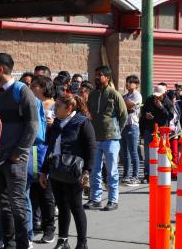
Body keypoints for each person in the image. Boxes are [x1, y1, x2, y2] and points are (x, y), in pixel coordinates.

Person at [0, 53, 39, 248]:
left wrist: (18, 153)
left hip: (15, 161)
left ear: (0, 69)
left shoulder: (22, 92)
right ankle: (8, 243)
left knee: (17, 205)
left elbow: (32, 126)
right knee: (2, 206)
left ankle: (23, 243)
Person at [39, 94, 96, 249]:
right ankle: (62, 240)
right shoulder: (56, 123)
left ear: (68, 108)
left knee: (76, 206)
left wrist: (87, 171)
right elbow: (50, 147)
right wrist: (44, 171)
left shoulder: (82, 122)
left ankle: (82, 243)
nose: (54, 109)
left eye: (57, 106)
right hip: (56, 172)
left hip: (74, 173)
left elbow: (91, 148)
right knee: (62, 206)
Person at [85, 66, 127, 211]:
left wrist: (116, 131)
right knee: (95, 170)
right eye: (96, 74)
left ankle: (113, 200)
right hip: (95, 138)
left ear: (107, 78)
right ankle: (95, 199)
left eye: (100, 75)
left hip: (111, 138)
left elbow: (123, 116)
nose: (97, 77)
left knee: (112, 171)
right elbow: (89, 112)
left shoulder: (114, 94)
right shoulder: (93, 94)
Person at [28, 75, 57, 242]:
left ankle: (49, 227)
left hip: (46, 151)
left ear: (44, 87)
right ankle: (33, 222)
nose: (32, 88)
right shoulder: (30, 104)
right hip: (31, 150)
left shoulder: (54, 105)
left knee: (45, 191)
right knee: (31, 190)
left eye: (35, 85)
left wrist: (53, 123)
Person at [139, 85, 173, 182]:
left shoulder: (168, 102)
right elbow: (143, 110)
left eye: (159, 96)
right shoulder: (150, 99)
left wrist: (161, 107)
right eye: (156, 95)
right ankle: (148, 174)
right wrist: (146, 115)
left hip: (162, 131)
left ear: (164, 94)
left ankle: (162, 172)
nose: (157, 98)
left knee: (162, 153)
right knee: (148, 153)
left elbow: (169, 116)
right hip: (149, 129)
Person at [120, 75, 142, 186]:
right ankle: (126, 175)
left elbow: (128, 106)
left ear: (136, 84)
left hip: (132, 125)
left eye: (130, 82)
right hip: (123, 126)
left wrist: (122, 102)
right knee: (125, 153)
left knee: (133, 152)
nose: (128, 84)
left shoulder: (137, 95)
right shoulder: (125, 96)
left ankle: (135, 176)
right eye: (127, 81)